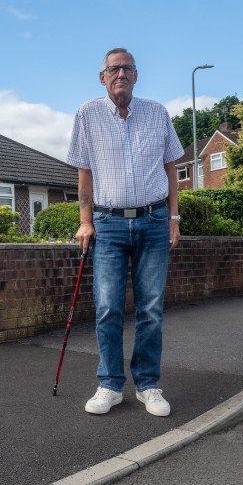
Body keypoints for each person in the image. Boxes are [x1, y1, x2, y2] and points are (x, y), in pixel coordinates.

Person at [65, 47, 184, 416]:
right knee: (108, 307)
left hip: (152, 221)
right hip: (109, 223)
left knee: (151, 308)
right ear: (102, 77)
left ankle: (148, 384)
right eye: (113, 69)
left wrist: (173, 219)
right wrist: (85, 221)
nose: (120, 74)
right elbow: (84, 172)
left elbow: (170, 170)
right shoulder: (87, 113)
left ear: (136, 75)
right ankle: (110, 384)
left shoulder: (157, 113)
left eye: (127, 68)